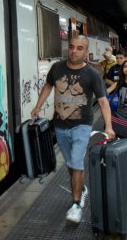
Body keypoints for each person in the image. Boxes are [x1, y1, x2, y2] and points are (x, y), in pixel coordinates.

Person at [31, 35, 115, 223]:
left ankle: (76, 204)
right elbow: (48, 86)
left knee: (76, 162)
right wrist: (38, 106)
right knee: (71, 165)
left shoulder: (92, 74)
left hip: (82, 126)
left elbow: (103, 101)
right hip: (60, 126)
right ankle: (81, 189)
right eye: (71, 47)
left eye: (79, 48)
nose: (74, 51)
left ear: (86, 52)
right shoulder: (57, 68)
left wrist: (108, 126)